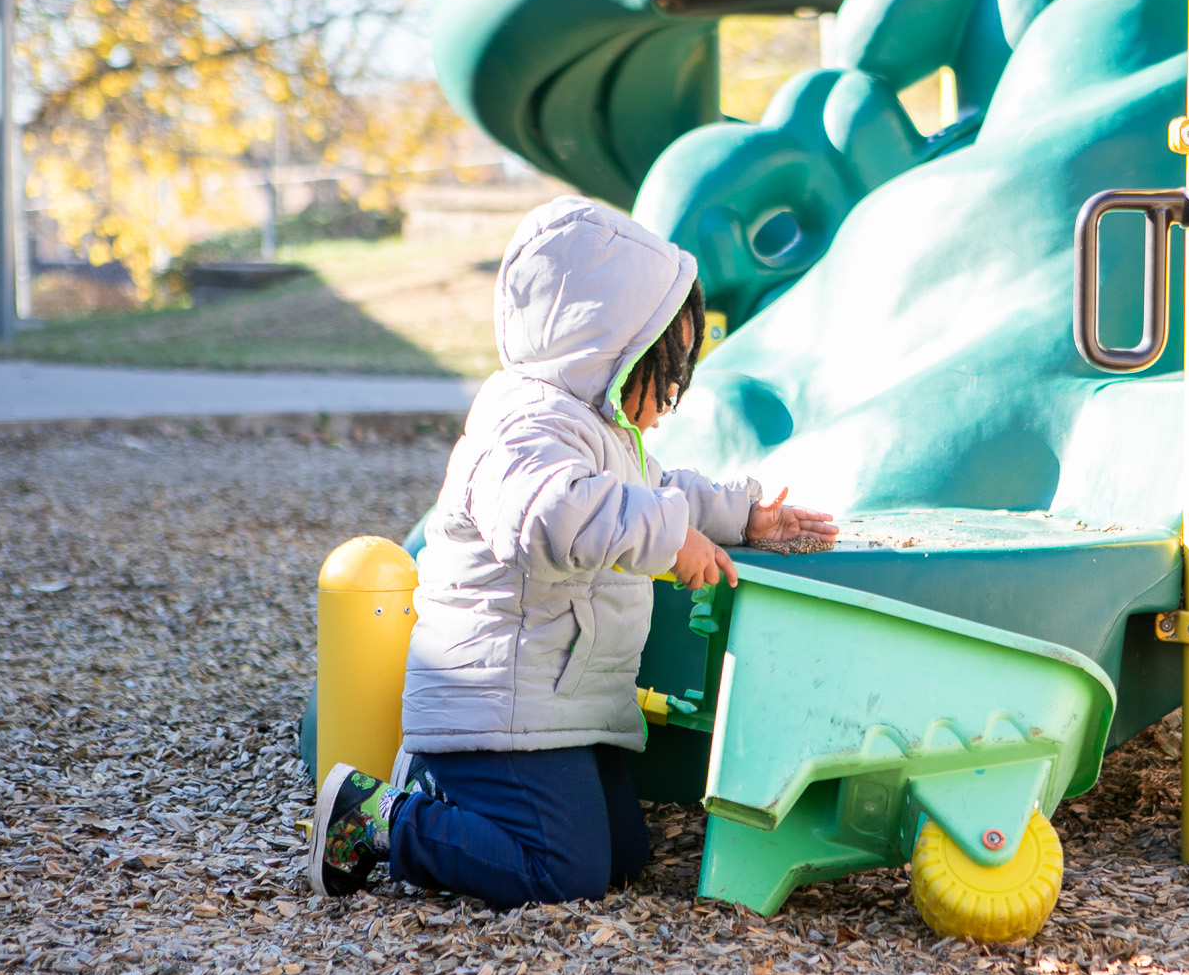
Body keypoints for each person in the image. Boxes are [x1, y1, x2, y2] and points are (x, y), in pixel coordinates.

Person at [305, 197, 836, 905]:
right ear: (605, 348)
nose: (674, 394)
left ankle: (443, 794)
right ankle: (379, 816)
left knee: (622, 854)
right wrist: (672, 535)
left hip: (549, 700)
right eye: (666, 368)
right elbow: (553, 515)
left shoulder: (600, 424)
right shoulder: (522, 424)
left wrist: (744, 514)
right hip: (493, 705)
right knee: (562, 870)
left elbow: (658, 486)